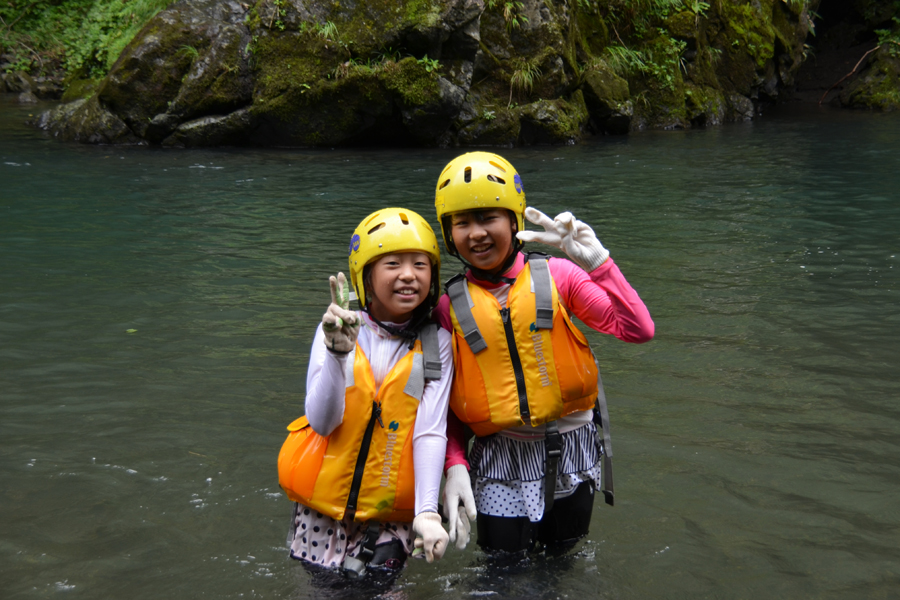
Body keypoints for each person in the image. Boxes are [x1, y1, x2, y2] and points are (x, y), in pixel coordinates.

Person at [432, 152, 655, 554]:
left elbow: (638, 330)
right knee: (501, 572)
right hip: (499, 455)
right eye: (462, 223)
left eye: (488, 218)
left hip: (571, 446)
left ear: (514, 221)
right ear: (449, 234)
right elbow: (443, 403)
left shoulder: (559, 276)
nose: (476, 233)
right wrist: (455, 464)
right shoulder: (448, 307)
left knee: (560, 564)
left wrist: (599, 263)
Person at [277, 207, 452, 579]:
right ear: (366, 279)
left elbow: (430, 430)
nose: (408, 275)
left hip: (390, 509)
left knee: (382, 589)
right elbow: (322, 424)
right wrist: (338, 354)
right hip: (324, 508)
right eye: (392, 264)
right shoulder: (337, 328)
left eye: (420, 264)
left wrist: (426, 512)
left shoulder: (437, 344)